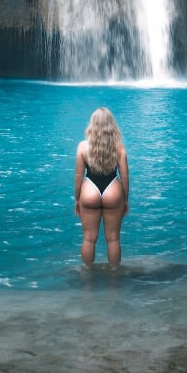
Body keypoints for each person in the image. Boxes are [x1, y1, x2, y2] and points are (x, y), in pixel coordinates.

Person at [74, 107, 130, 267]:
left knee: (89, 238)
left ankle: (87, 277)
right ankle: (114, 277)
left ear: (92, 125)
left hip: (89, 190)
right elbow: (125, 177)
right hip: (113, 189)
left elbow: (78, 177)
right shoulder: (120, 148)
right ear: (111, 126)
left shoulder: (82, 147)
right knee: (113, 239)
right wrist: (125, 200)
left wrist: (77, 199)